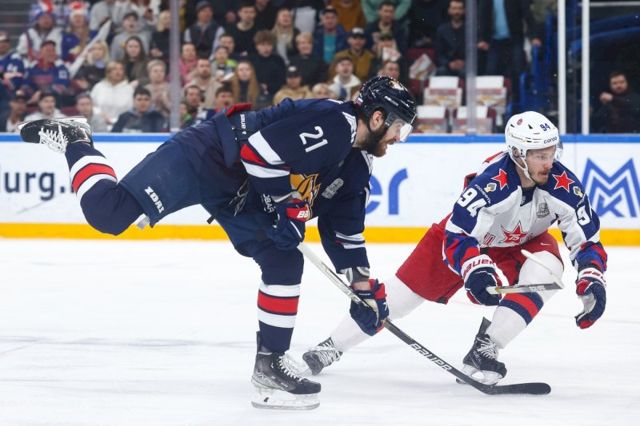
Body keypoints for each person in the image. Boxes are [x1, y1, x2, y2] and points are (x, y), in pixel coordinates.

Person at [17, 75, 417, 410]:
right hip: (207, 156)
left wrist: (362, 287)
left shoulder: (356, 166)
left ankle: (271, 364)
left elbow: (344, 231)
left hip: (243, 193)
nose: (400, 137)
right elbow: (258, 154)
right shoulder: (335, 122)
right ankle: (77, 140)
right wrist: (288, 204)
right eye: (399, 126)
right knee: (109, 213)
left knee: (283, 259)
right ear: (377, 117)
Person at [301, 111, 608, 386]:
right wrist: (476, 270)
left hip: (523, 241)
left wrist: (592, 277)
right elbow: (459, 234)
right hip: (463, 240)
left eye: (552, 152)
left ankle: (485, 348)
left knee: (547, 268)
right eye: (540, 155)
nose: (550, 162)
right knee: (399, 300)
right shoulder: (493, 184)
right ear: (517, 153)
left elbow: (587, 240)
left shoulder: (564, 185)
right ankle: (332, 346)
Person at [435, 0, 466, 77]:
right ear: (449, 11)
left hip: (465, 65)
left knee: (466, 73)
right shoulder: (442, 30)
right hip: (448, 65)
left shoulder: (470, 29)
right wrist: (449, 64)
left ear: (464, 11)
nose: (457, 12)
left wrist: (464, 63)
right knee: (441, 72)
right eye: (454, 8)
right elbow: (439, 54)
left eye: (460, 8)